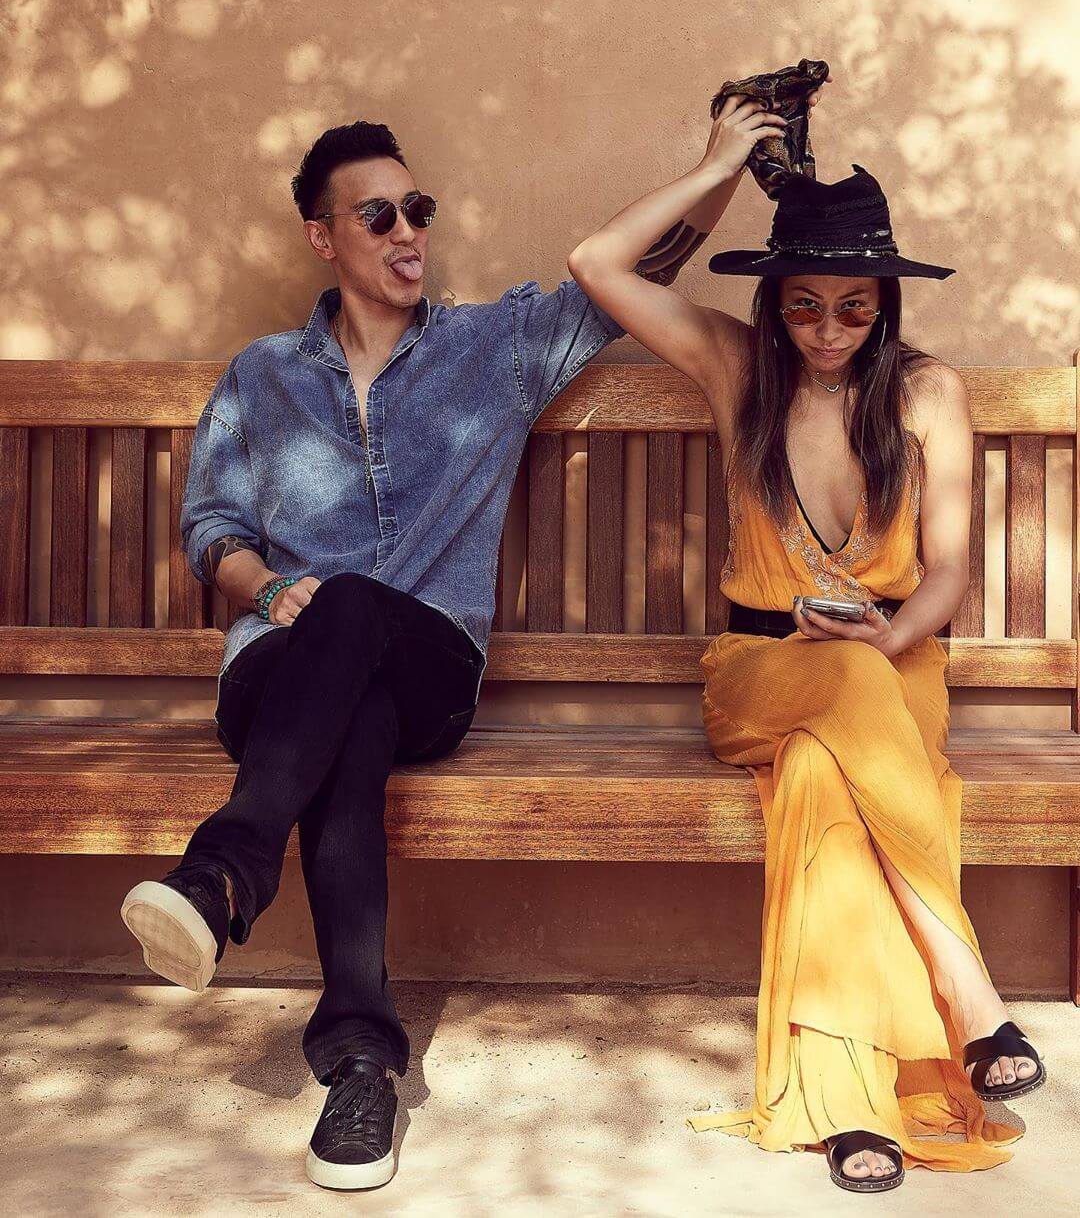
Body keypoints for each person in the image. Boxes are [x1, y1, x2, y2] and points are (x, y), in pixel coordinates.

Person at [119, 120, 724, 1191]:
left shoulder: (493, 349)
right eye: (380, 215)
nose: (409, 233)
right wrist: (271, 588)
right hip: (280, 670)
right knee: (347, 723)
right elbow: (211, 524)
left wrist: (719, 167)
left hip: (429, 665)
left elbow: (644, 265)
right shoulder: (262, 375)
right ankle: (361, 1065)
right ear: (323, 238)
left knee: (358, 610)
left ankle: (224, 873)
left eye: (419, 211)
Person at [567, 88, 1046, 1194]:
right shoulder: (739, 368)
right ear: (774, 300)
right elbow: (598, 263)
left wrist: (883, 638)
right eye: (804, 308)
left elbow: (947, 574)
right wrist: (716, 166)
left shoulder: (928, 393)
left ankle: (847, 1112)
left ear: (886, 303)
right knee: (838, 706)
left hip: (892, 670)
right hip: (760, 673)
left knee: (826, 784)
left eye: (854, 310)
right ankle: (968, 993)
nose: (828, 333)